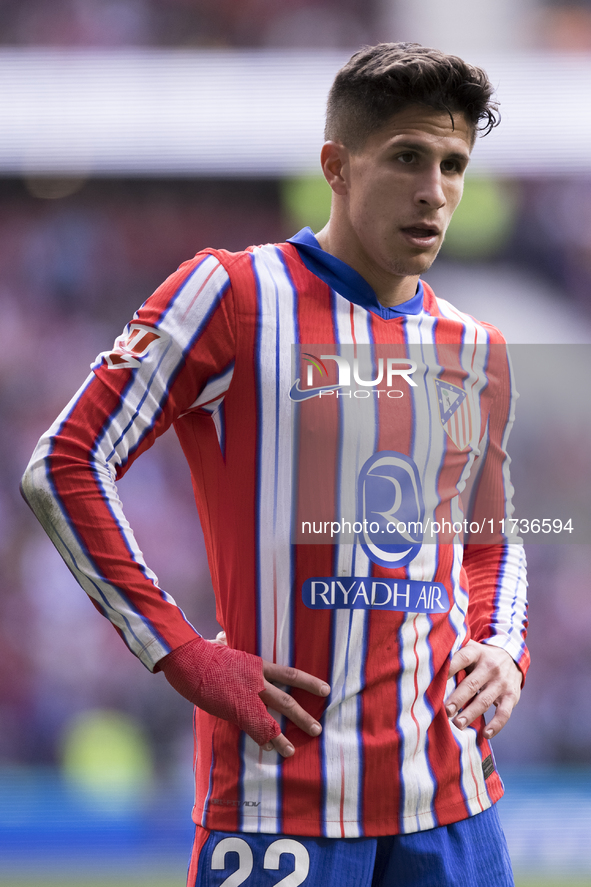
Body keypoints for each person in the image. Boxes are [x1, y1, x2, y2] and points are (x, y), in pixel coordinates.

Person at [21, 43, 528, 887]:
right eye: (406, 157)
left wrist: (504, 645)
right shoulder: (231, 294)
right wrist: (183, 651)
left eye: (452, 164)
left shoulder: (475, 349)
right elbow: (65, 463)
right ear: (336, 165)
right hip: (278, 802)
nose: (433, 190)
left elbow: (492, 537)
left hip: (452, 799)